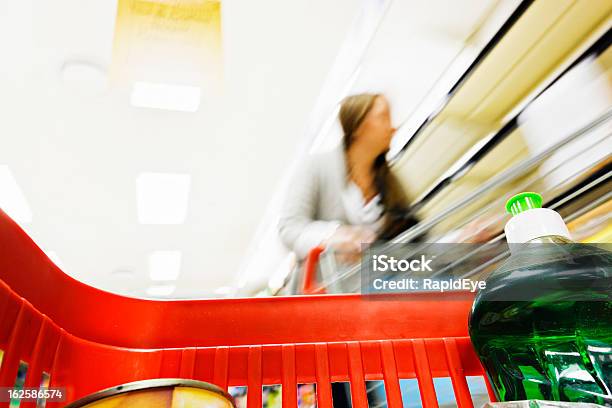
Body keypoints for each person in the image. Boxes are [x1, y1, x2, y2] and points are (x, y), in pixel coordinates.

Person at [279, 93, 417, 287]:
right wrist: (334, 236)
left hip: (370, 301)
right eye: (383, 117)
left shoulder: (391, 184)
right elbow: (289, 227)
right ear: (358, 126)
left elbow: (412, 246)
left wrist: (460, 239)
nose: (393, 127)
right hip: (321, 299)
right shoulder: (316, 167)